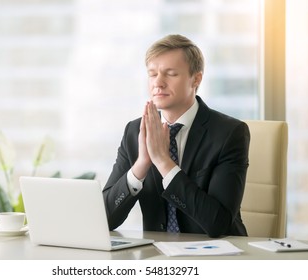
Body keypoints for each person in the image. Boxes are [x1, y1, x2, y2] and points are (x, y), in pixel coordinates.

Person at [102, 34, 250, 237]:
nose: (158, 83)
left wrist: (163, 162)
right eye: (152, 74)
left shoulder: (229, 134)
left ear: (196, 79)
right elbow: (104, 219)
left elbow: (219, 224)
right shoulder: (135, 131)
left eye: (170, 74)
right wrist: (142, 164)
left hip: (216, 255)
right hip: (158, 258)